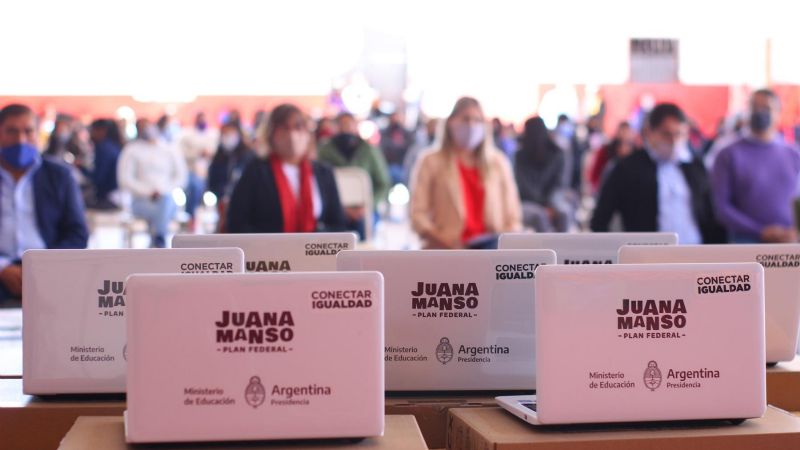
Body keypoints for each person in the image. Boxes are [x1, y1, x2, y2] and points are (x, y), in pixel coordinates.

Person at [590, 103, 725, 244]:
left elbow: (710, 213)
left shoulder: (694, 166)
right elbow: (600, 219)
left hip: (695, 250)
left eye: (679, 134)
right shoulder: (627, 168)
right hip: (647, 256)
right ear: (649, 132)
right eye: (666, 134)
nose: (673, 141)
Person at [0, 104, 88, 301]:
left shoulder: (60, 176)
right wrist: (3, 268)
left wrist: (44, 266)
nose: (20, 140)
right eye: (12, 131)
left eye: (28, 131)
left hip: (50, 271)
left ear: (38, 134)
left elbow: (77, 233)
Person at [410, 97, 522, 249]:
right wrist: (444, 241)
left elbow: (513, 216)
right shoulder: (430, 161)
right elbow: (418, 215)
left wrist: (505, 244)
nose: (471, 125)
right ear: (450, 122)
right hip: (447, 249)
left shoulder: (498, 163)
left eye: (477, 120)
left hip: (491, 249)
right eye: (465, 119)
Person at [226, 104, 346, 233]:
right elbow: (237, 224)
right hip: (269, 251)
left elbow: (338, 224)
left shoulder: (323, 173)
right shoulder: (256, 172)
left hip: (314, 250)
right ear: (271, 134)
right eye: (284, 128)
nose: (291, 134)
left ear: (307, 133)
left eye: (298, 127)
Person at [711, 89, 800, 243]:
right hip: (745, 241)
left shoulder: (793, 154)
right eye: (755, 107)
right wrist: (760, 231)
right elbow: (722, 208)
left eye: (766, 108)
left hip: (788, 241)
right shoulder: (727, 154)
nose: (760, 112)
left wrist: (794, 231)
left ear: (778, 113)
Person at [117, 118, 187, 248]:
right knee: (162, 207)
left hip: (166, 197)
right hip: (141, 201)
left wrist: (162, 190)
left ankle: (157, 238)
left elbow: (181, 177)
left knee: (165, 202)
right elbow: (125, 179)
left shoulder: (169, 149)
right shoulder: (131, 150)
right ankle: (159, 239)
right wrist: (148, 192)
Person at [318, 112, 390, 237]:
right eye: (341, 125)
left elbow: (383, 183)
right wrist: (340, 209)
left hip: (364, 210)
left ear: (355, 126)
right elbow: (318, 183)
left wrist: (368, 205)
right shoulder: (324, 151)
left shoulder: (369, 151)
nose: (346, 128)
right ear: (335, 127)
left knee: (364, 229)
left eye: (349, 124)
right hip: (334, 209)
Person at [514, 117, 572, 232]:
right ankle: (548, 249)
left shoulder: (557, 154)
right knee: (540, 216)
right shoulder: (520, 156)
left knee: (564, 214)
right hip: (527, 201)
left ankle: (564, 248)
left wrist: (549, 203)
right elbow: (523, 186)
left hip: (552, 199)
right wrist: (543, 205)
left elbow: (559, 184)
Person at [207, 122, 255, 232]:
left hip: (244, 204)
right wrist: (222, 196)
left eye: (231, 134)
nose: (227, 137)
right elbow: (212, 181)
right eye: (225, 134)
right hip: (222, 202)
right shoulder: (218, 157)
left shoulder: (248, 156)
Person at [178, 112, 217, 231]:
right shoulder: (187, 135)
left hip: (210, 171)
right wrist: (198, 154)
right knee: (194, 187)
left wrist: (209, 154)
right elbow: (182, 154)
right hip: (192, 170)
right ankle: (191, 218)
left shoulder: (213, 135)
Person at [587, 121, 635, 194]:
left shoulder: (634, 152)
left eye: (627, 132)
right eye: (623, 131)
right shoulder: (606, 150)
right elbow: (595, 171)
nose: (624, 134)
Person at [87, 119, 122, 209]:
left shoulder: (103, 147)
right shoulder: (114, 145)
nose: (91, 133)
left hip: (106, 197)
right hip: (117, 195)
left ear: (102, 131)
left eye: (93, 130)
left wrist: (81, 168)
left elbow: (98, 177)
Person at [380, 111, 414, 185]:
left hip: (403, 165)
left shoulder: (407, 134)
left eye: (398, 117)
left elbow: (410, 149)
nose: (396, 119)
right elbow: (384, 147)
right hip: (388, 165)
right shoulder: (384, 133)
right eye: (394, 117)